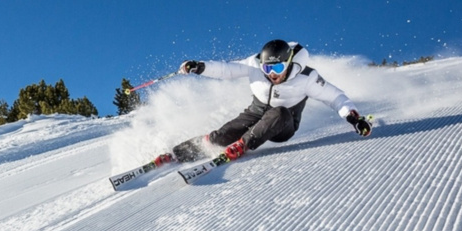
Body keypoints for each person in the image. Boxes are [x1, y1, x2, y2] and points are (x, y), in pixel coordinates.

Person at [157, 39, 371, 165]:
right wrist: (200, 67)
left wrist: (354, 118)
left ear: (288, 64)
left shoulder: (307, 78)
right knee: (219, 137)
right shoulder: (254, 65)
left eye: (277, 69)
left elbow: (335, 97)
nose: (271, 75)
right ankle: (176, 154)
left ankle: (242, 146)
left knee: (279, 113)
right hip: (255, 112)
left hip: (283, 125)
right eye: (267, 69)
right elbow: (226, 70)